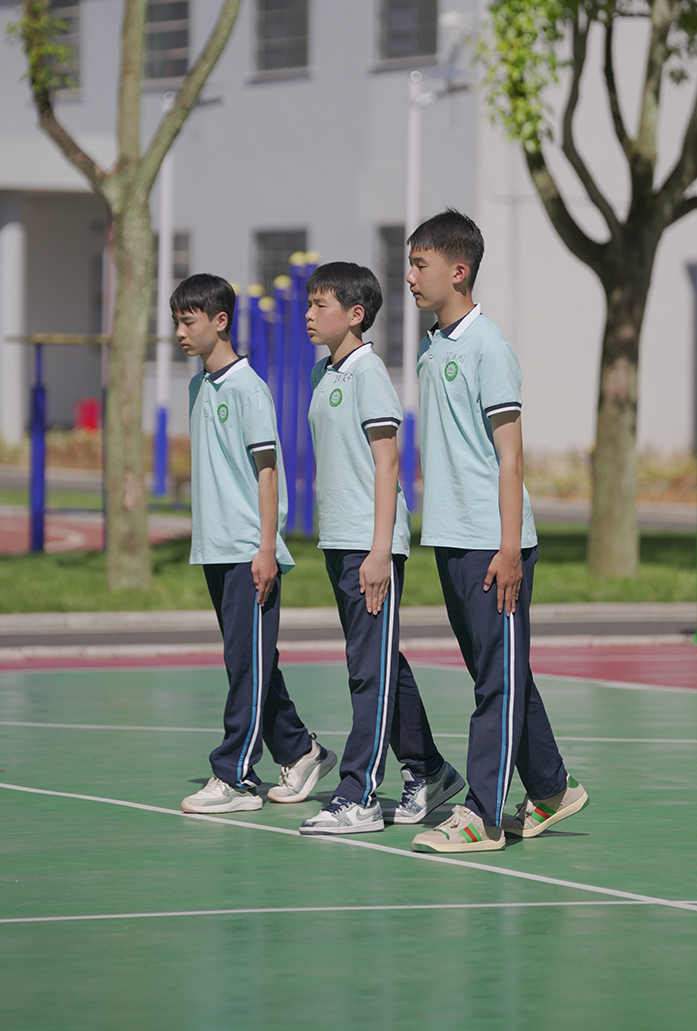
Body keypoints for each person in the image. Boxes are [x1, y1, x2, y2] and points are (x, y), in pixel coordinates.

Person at [404, 211, 588, 854]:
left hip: (493, 542)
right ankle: (552, 789)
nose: (410, 277)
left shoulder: (489, 348)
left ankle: (481, 815)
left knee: (496, 682)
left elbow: (511, 458)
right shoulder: (432, 346)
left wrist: (510, 549)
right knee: (498, 671)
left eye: (420, 265)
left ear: (458, 271)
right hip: (452, 537)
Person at [297, 261, 463, 836]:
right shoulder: (324, 374)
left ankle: (358, 793)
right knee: (380, 663)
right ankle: (430, 770)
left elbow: (388, 463)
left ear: (355, 314)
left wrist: (378, 552)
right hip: (338, 541)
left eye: (320, 304)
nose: (309, 314)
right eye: (309, 303)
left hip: (369, 547)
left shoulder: (368, 373)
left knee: (368, 674)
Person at [172, 273, 336, 815]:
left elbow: (269, 472)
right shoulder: (198, 387)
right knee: (249, 662)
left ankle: (235, 777)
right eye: (176, 322)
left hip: (248, 550)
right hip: (214, 548)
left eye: (188, 321)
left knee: (247, 664)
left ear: (220, 321)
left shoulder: (249, 389)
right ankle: (300, 750)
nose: (179, 332)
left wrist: (266, 548)